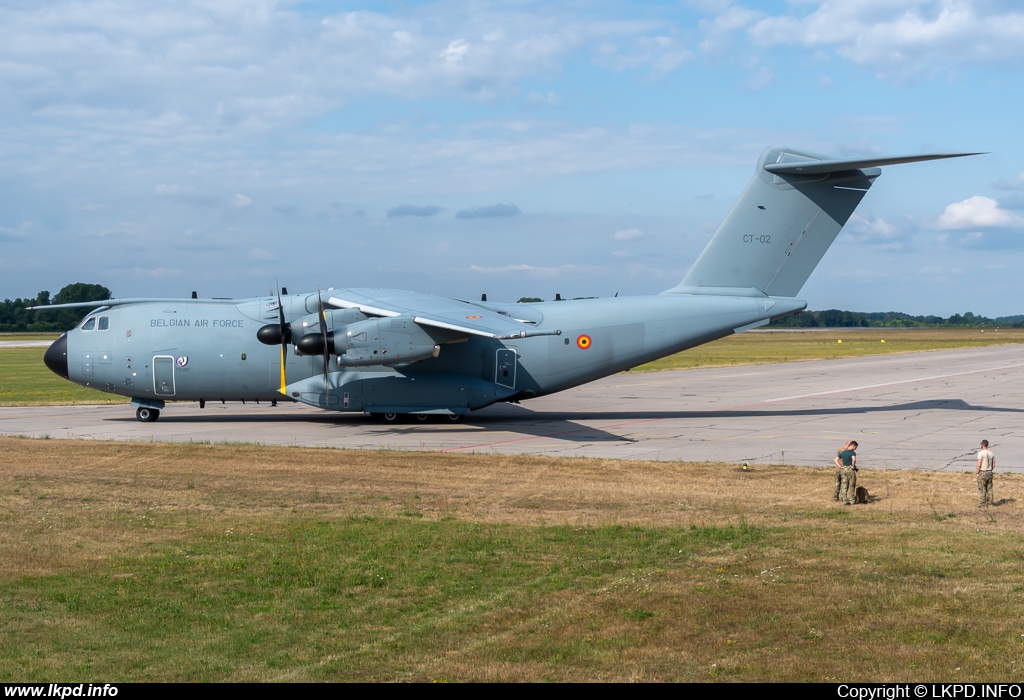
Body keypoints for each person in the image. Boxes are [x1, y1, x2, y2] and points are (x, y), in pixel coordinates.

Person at [834, 441, 858, 505]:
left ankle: (844, 500)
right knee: (852, 485)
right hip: (850, 470)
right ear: (853, 446)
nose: (855, 448)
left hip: (844, 469)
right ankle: (852, 500)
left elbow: (836, 459)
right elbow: (854, 459)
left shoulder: (843, 452)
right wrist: (853, 466)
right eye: (855, 447)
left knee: (844, 485)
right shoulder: (853, 453)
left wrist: (840, 466)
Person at [976, 440, 996, 507]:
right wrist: (990, 469)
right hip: (989, 472)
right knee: (989, 488)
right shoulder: (991, 453)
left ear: (982, 444)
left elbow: (979, 464)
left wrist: (977, 471)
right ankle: (990, 503)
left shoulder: (981, 453)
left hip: (983, 471)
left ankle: (983, 503)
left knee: (982, 488)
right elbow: (994, 464)